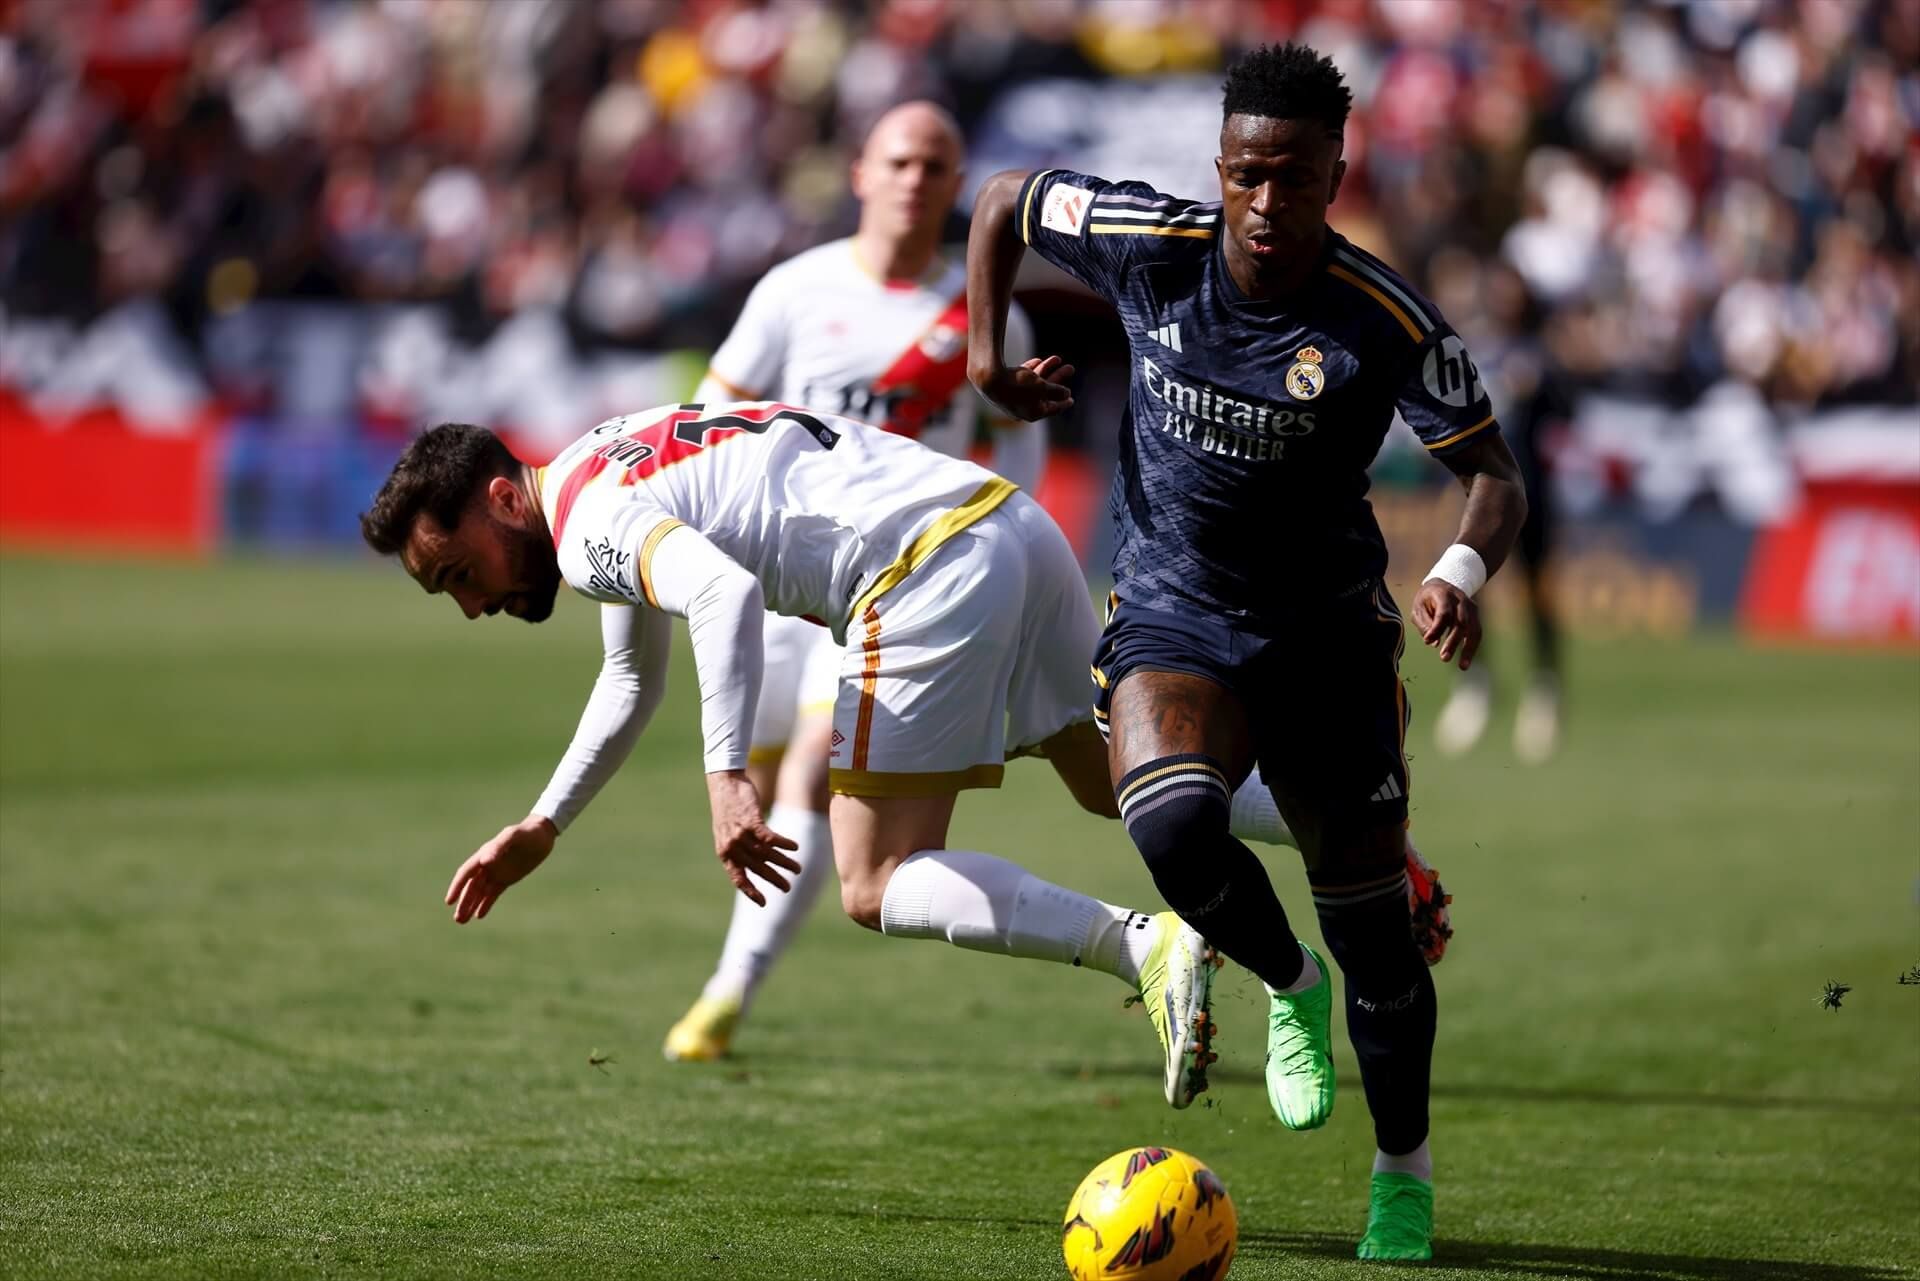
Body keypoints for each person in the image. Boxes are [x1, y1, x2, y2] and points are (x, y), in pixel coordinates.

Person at [965, 43, 1526, 1261]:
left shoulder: (1383, 320)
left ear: (1338, 172)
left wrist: (1460, 570)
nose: (1268, 205)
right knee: (1167, 824)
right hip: (1174, 610)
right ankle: (1287, 984)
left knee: (1378, 934)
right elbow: (1002, 198)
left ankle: (1404, 1176)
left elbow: (1492, 473)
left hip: (1326, 636)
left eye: (1297, 179)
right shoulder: (1146, 243)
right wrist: (982, 356)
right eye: (1247, 175)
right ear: (1221, 167)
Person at [357, 400, 1288, 1113]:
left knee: (876, 879)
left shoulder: (587, 526)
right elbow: (631, 681)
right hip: (1004, 522)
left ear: (500, 498)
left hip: (917, 566)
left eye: (459, 573)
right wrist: (545, 822)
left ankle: (1148, 946)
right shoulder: (600, 459)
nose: (472, 604)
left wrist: (728, 781)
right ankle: (1353, 832)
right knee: (1115, 779)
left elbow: (722, 596)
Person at [662, 101, 1051, 1063]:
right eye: (900, 160)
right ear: (862, 174)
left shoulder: (986, 313)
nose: (916, 178)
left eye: (936, 164)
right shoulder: (796, 291)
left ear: (958, 187)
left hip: (897, 580)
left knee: (805, 769)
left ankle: (725, 994)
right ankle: (741, 968)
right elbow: (709, 419)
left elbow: (1019, 470)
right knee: (758, 790)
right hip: (778, 578)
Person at [1429, 258, 1569, 764]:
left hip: (1534, 496)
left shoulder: (1541, 353)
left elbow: (1566, 415)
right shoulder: (1476, 350)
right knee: (1467, 589)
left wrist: (1544, 383)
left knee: (1537, 596)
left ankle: (1545, 688)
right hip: (1480, 501)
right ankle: (1477, 686)